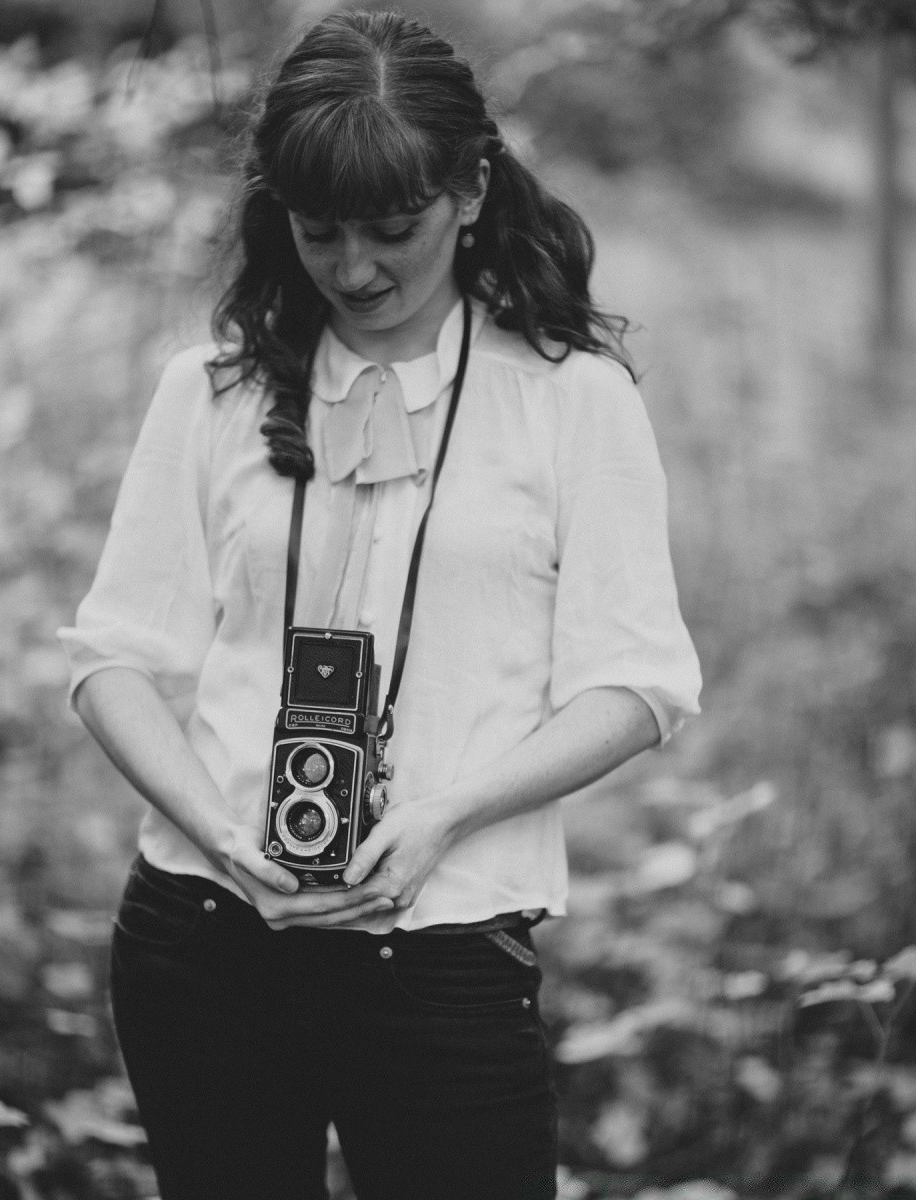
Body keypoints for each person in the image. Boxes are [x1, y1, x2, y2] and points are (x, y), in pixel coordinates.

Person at [59, 12, 700, 1199]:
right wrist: (218, 833)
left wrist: (451, 811)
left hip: (445, 946)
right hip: (203, 935)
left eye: (393, 229)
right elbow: (113, 662)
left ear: (471, 188)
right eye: (319, 232)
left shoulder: (573, 404)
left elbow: (640, 682)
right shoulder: (207, 395)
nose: (354, 269)